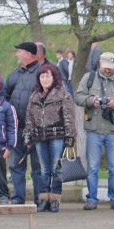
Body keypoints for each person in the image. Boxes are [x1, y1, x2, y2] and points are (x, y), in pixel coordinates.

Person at [75, 52, 114, 210]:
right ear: (100, 64)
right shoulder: (88, 78)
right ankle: (92, 198)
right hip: (94, 130)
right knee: (92, 167)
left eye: (110, 68)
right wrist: (91, 101)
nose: (108, 71)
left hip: (113, 130)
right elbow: (78, 96)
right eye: (105, 67)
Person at [23, 64, 76, 213]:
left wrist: (70, 135)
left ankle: (54, 200)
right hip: (39, 137)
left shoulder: (62, 94)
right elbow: (29, 119)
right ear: (38, 79)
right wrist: (27, 136)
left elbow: (69, 117)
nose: (45, 79)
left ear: (54, 78)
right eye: (42, 76)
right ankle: (43, 199)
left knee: (55, 168)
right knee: (43, 170)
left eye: (47, 76)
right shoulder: (34, 96)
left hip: (57, 136)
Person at [5, 42, 41, 205]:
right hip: (17, 128)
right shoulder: (14, 75)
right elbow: (5, 97)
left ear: (28, 54)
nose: (16, 54)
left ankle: (39, 200)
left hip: (37, 130)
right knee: (15, 165)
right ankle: (18, 199)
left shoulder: (42, 73)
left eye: (19, 52)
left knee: (38, 166)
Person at [0, 73, 17, 205]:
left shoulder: (7, 106)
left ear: (0, 90)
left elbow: (12, 127)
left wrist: (10, 146)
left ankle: (3, 196)